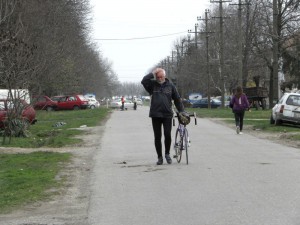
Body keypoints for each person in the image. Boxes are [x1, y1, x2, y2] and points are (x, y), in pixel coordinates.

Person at [141, 68, 184, 165]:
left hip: (167, 114)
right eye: (158, 77)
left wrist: (181, 111)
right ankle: (160, 157)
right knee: (157, 137)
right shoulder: (152, 85)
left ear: (164, 76)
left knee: (167, 135)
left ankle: (167, 154)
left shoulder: (171, 86)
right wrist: (152, 73)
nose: (159, 79)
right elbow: (143, 81)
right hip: (155, 114)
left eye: (161, 77)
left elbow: (177, 99)